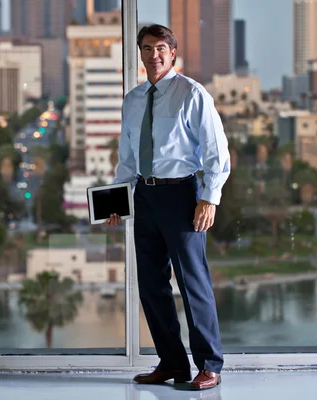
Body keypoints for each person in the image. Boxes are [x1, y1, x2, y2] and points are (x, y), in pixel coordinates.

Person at [104, 24, 231, 390]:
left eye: (161, 48)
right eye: (147, 48)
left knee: (193, 282)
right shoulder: (132, 99)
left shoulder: (192, 94)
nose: (153, 55)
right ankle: (173, 363)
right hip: (144, 195)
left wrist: (209, 197)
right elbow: (127, 157)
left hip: (182, 196)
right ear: (140, 53)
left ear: (172, 52)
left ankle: (209, 364)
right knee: (151, 284)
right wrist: (117, 200)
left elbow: (215, 152)